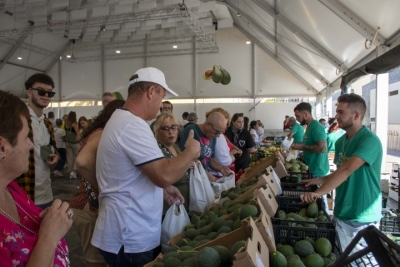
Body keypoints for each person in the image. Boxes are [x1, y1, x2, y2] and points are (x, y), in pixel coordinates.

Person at [91, 67, 200, 267]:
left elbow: (134, 174)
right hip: (129, 237)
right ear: (151, 91)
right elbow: (164, 174)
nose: (161, 105)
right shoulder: (132, 125)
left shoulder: (123, 120)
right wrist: (190, 152)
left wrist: (162, 191)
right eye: (161, 96)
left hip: (126, 232)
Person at [300, 93, 382, 254]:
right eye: (337, 112)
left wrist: (318, 193)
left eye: (341, 112)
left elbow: (346, 170)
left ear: (356, 115)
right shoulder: (340, 142)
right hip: (341, 211)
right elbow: (339, 172)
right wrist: (318, 180)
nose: (336, 116)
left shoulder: (369, 141)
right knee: (343, 259)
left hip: (362, 216)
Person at [0, 90, 72, 267]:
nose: (30, 145)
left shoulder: (11, 189)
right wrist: (50, 235)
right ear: (2, 148)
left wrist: (51, 220)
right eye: (25, 138)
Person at [71, 99, 125, 267]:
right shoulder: (102, 133)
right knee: (95, 260)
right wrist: (103, 186)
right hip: (89, 206)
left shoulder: (98, 131)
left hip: (89, 205)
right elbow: (82, 161)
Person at [15, 73, 59, 209]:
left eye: (50, 93)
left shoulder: (47, 123)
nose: (46, 96)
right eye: (41, 91)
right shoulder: (18, 120)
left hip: (45, 192)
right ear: (29, 92)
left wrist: (55, 157)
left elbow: (53, 148)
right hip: (23, 190)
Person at [291, 102, 329, 213]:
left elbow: (322, 148)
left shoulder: (316, 127)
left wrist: (302, 147)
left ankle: (325, 220)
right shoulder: (309, 127)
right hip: (312, 169)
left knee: (320, 202)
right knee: (314, 202)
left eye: (298, 116)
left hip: (318, 170)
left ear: (306, 114)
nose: (297, 119)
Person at [154, 113, 191, 214]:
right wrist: (187, 161)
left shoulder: (175, 147)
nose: (171, 132)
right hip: (169, 208)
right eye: (165, 128)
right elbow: (168, 174)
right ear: (157, 131)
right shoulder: (157, 150)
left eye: (174, 127)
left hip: (183, 205)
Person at [180, 112, 232, 182]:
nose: (218, 136)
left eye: (221, 132)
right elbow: (184, 158)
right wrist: (208, 175)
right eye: (217, 132)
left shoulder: (213, 136)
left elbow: (211, 159)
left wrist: (221, 168)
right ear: (208, 125)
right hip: (191, 179)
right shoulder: (191, 130)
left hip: (204, 178)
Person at [205, 108, 239, 178]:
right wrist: (231, 156)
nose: (225, 127)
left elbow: (211, 158)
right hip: (215, 174)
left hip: (214, 173)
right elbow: (224, 160)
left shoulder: (218, 134)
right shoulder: (218, 135)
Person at [65, 111, 81, 179]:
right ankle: (74, 171)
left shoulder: (66, 123)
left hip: (67, 142)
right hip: (74, 142)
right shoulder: (74, 124)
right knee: (77, 156)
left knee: (69, 157)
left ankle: (69, 171)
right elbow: (78, 133)